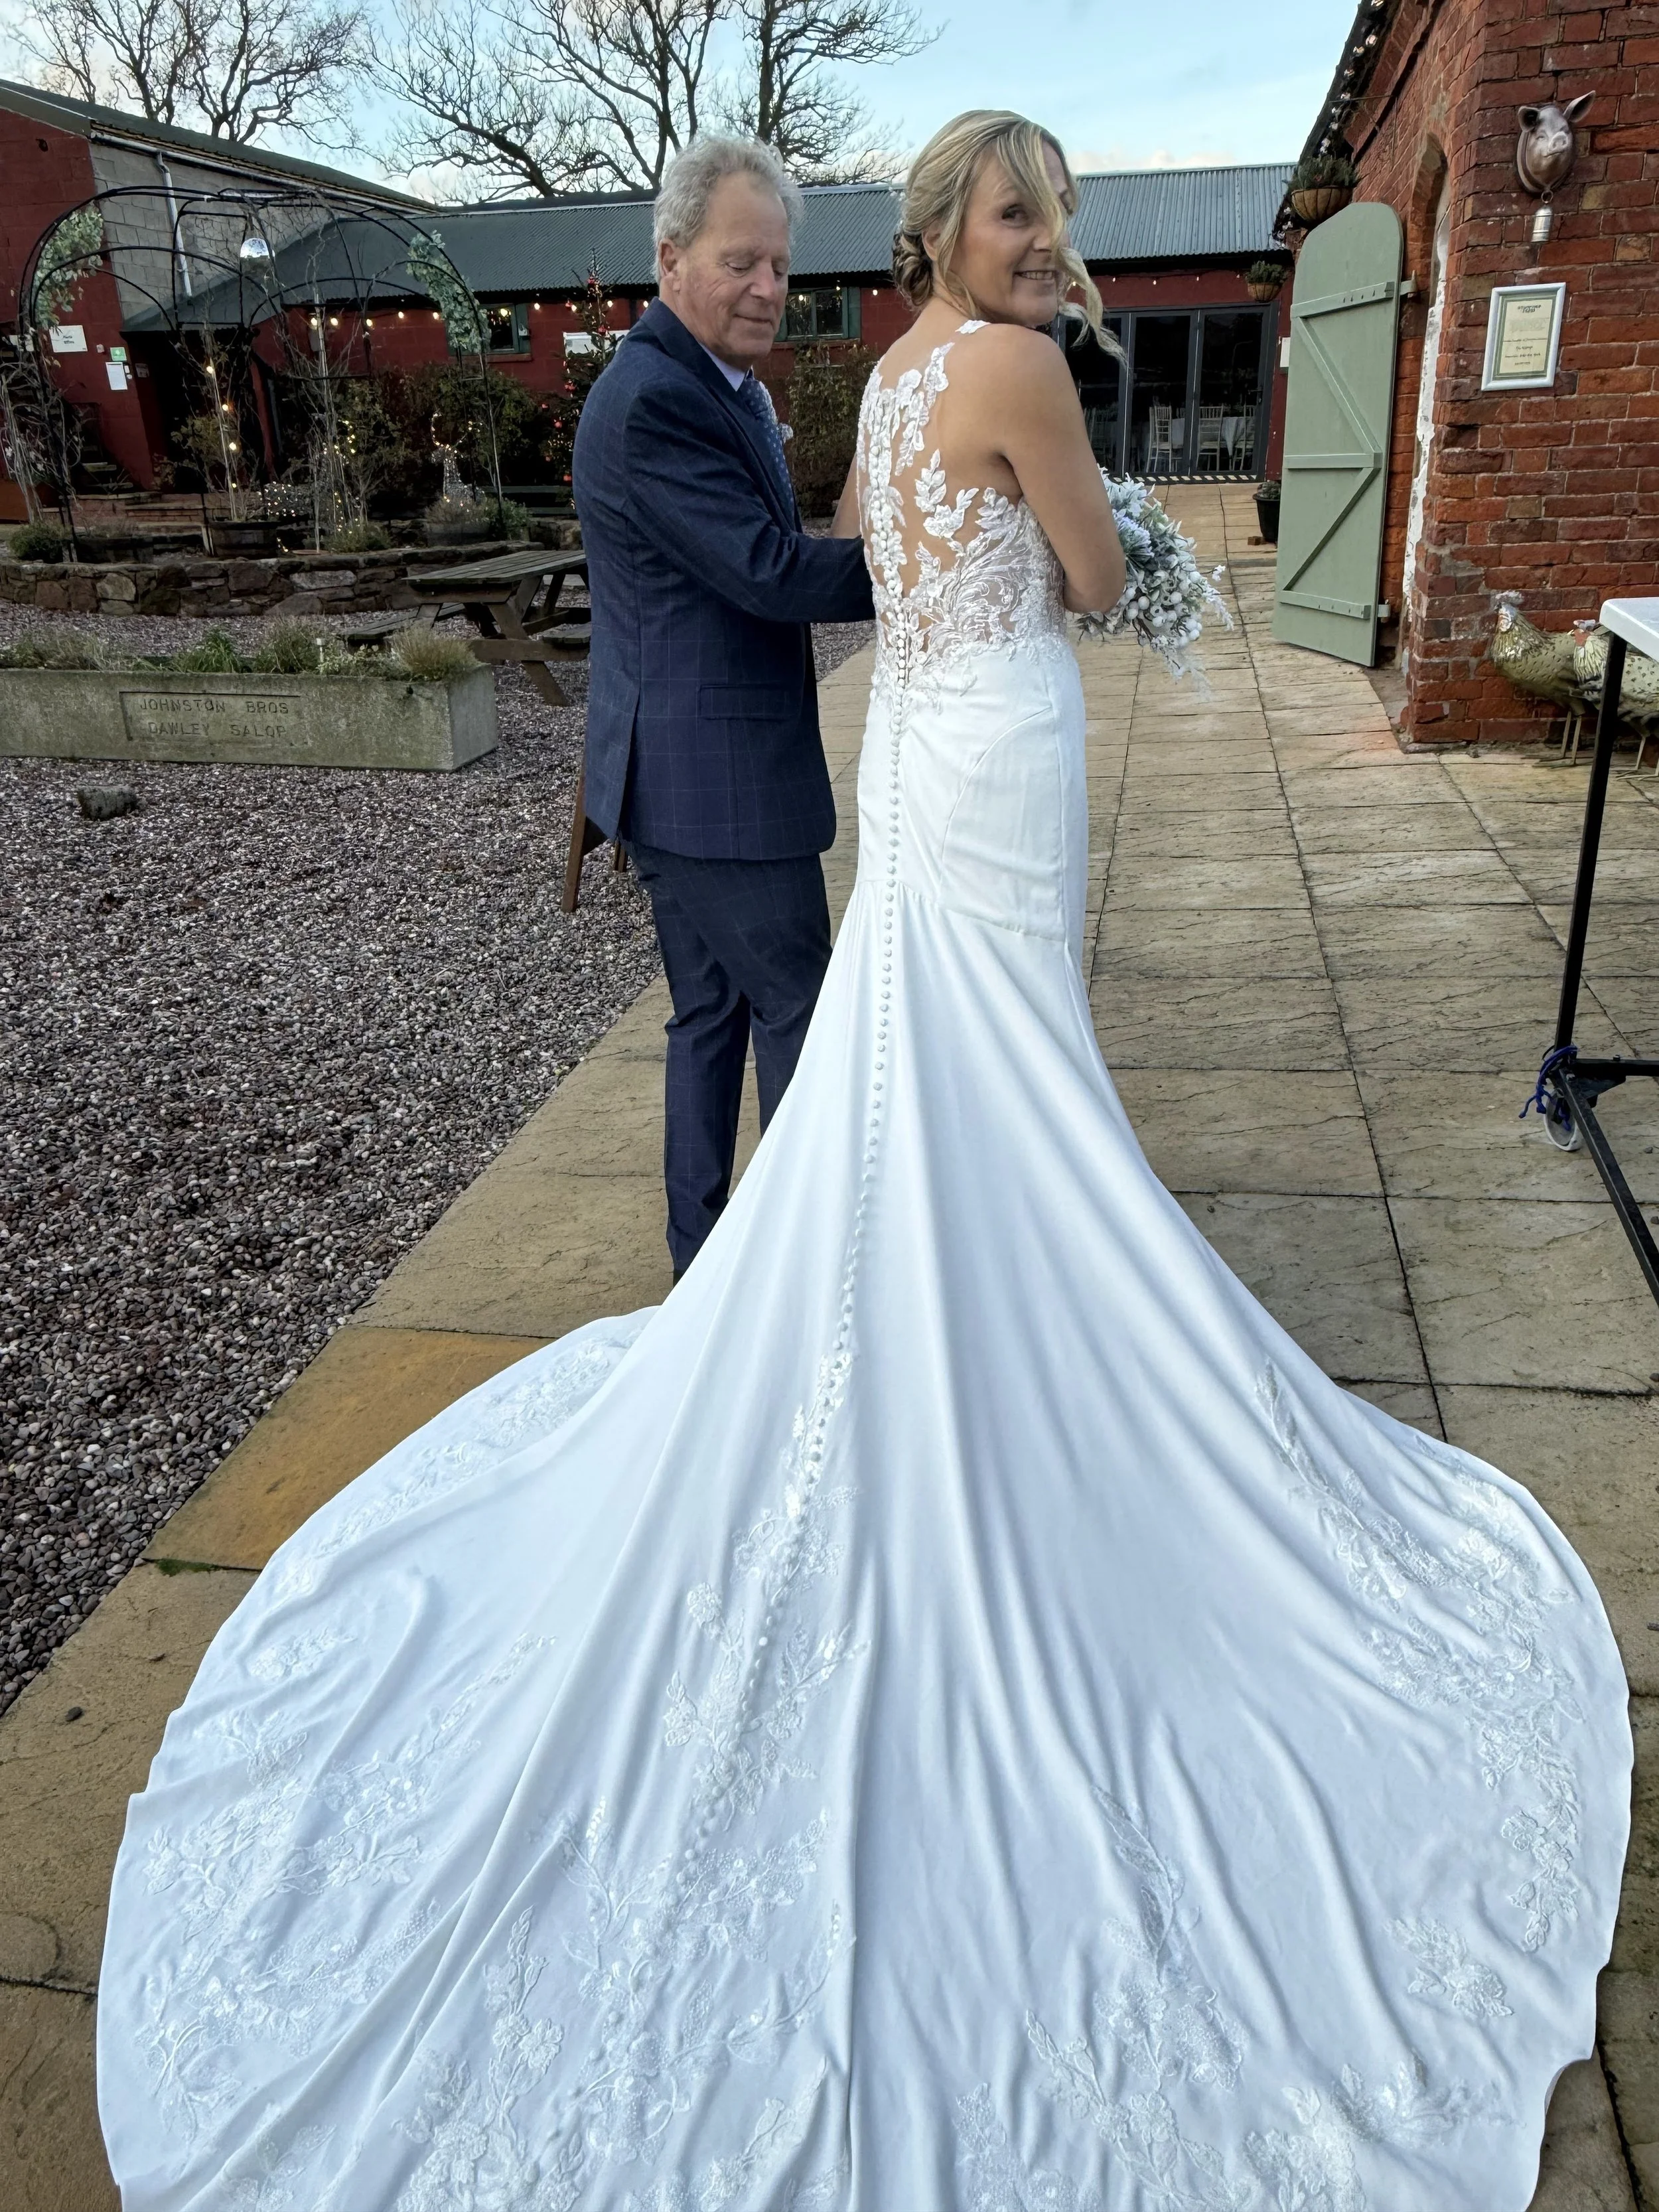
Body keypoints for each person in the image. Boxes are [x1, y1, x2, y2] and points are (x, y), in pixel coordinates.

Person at [97, 113, 1628, 2212]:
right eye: (1020, 214)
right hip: (981, 747)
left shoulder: (888, 376)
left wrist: (1012, 534)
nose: (1048, 243)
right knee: (980, 1071)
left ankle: (841, 1298)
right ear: (941, 230)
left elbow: (886, 557)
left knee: (912, 1064)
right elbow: (1085, 574)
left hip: (917, 750)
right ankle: (975, 1347)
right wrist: (1140, 544)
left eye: (1063, 221)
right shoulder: (996, 370)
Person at [574, 139, 874, 1282]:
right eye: (740, 261)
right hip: (714, 786)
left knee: (710, 1018)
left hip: (681, 773)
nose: (768, 290)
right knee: (799, 1008)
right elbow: (768, 571)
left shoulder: (706, 382)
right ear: (671, 258)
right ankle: (799, 1281)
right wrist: (933, 561)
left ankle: (703, 1269)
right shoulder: (658, 399)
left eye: (781, 267)